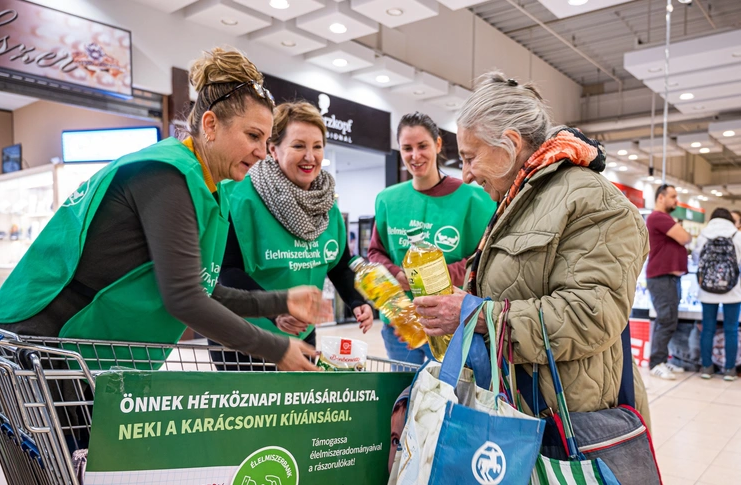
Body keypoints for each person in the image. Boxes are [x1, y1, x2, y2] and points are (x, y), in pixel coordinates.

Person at [0, 47, 330, 372]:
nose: (261, 152)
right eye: (253, 136)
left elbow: (204, 289)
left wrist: (281, 301)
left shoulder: (212, 190)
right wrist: (275, 348)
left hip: (79, 349)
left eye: (265, 141)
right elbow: (185, 299)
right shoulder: (167, 176)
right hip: (43, 343)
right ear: (210, 125)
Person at [411, 72, 651, 425]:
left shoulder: (595, 202)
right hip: (517, 413)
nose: (466, 174)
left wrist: (477, 315)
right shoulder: (519, 201)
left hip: (566, 422)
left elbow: (590, 316)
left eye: (470, 157)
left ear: (510, 143)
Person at [210, 101, 374, 370]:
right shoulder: (239, 195)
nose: (310, 156)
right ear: (273, 149)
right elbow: (226, 272)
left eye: (317, 146)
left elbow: (338, 263)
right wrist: (276, 311)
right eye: (298, 146)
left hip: (301, 333)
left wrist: (356, 301)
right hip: (244, 335)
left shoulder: (325, 203)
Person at [369, 112, 496, 364]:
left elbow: (484, 258)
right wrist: (398, 275)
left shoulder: (475, 199)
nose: (415, 156)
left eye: (422, 146)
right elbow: (375, 252)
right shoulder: (387, 200)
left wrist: (433, 277)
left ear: (437, 144)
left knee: (450, 387)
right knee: (404, 387)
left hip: (450, 321)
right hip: (400, 325)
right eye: (407, 148)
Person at [645, 184, 692, 380]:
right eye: (673, 196)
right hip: (661, 277)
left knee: (669, 320)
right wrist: (684, 236)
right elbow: (685, 237)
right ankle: (656, 363)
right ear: (661, 198)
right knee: (665, 320)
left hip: (669, 278)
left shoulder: (664, 218)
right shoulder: (658, 217)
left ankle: (662, 360)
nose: (676, 200)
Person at [693, 208, 741, 380]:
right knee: (731, 329)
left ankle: (707, 368)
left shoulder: (704, 235)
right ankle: (729, 370)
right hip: (733, 290)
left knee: (708, 329)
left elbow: (697, 259)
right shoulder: (736, 235)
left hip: (707, 290)